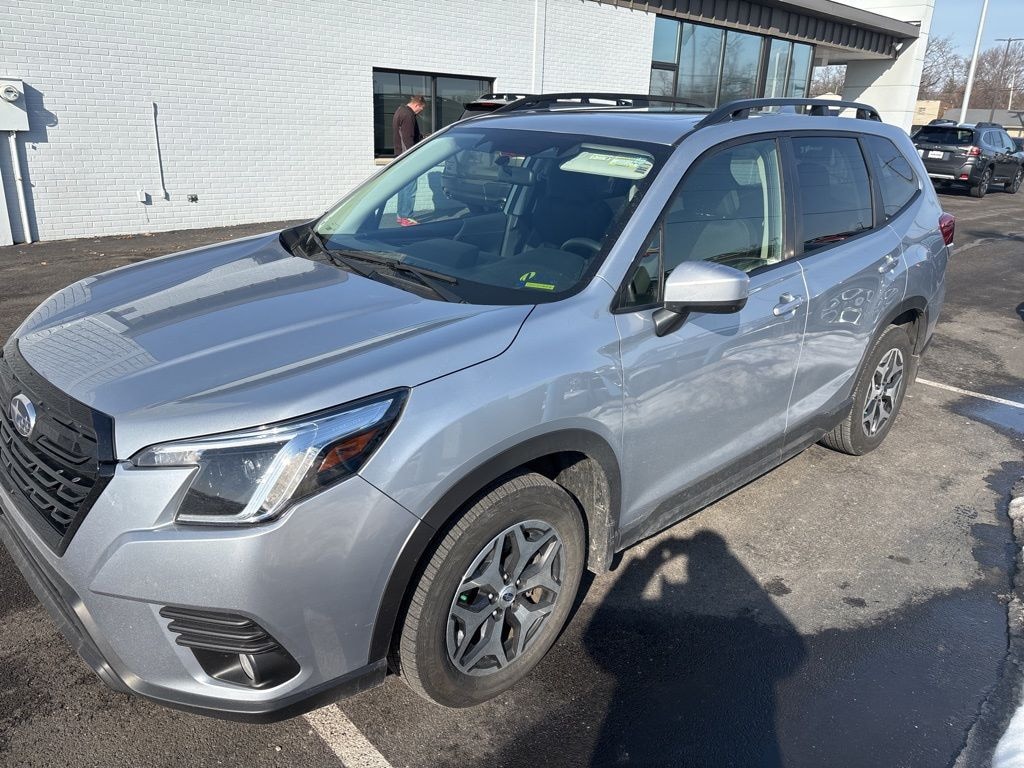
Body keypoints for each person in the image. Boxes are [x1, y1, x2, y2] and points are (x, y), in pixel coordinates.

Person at [393, 95, 425, 226]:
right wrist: (414, 155)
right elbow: (408, 137)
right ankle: (407, 217)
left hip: (399, 155)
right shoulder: (408, 115)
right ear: (417, 105)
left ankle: (401, 216)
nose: (420, 112)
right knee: (410, 188)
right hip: (407, 156)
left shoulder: (399, 111)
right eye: (421, 109)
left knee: (403, 187)